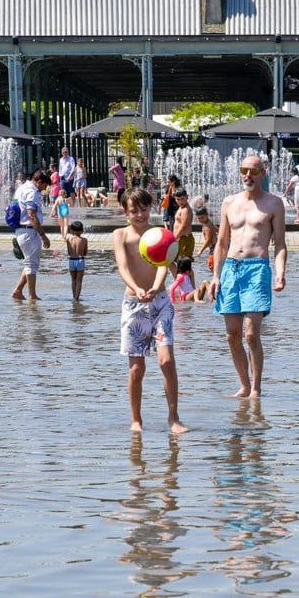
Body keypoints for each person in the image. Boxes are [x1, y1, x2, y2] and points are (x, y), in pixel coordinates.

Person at [210, 154, 288, 399]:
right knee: (232, 335)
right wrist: (215, 276)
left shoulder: (274, 204)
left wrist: (280, 273)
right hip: (231, 268)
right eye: (244, 170)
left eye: (253, 171)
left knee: (251, 333)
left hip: (257, 268)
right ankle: (244, 385)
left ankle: (256, 389)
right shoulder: (229, 202)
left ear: (263, 173)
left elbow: (281, 244)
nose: (248, 175)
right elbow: (221, 243)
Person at [112, 186, 188, 433]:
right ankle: (136, 420)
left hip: (160, 303)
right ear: (125, 211)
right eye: (134, 211)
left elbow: (162, 265)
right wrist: (137, 288)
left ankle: (174, 417)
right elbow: (123, 267)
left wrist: (155, 289)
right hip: (134, 305)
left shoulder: (159, 233)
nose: (140, 215)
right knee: (137, 368)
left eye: (144, 210)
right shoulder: (120, 235)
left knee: (166, 361)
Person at [11, 169, 52, 301]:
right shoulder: (32, 192)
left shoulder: (22, 188)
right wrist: (43, 235)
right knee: (31, 265)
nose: (44, 190)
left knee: (31, 263)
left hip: (22, 230)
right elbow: (31, 215)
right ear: (39, 182)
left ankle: (18, 291)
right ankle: (32, 295)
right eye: (44, 186)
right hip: (28, 230)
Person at [66, 220, 88, 302]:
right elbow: (85, 252)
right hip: (80, 260)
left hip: (71, 260)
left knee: (73, 280)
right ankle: (77, 298)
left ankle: (73, 296)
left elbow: (69, 252)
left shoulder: (69, 240)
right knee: (79, 281)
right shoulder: (84, 240)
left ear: (72, 230)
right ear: (82, 230)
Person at [172, 188, 195, 264]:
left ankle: (182, 276)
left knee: (183, 264)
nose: (180, 201)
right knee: (181, 263)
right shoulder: (182, 208)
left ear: (187, 197)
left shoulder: (186, 209)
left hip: (184, 239)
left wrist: (174, 238)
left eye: (182, 199)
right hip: (181, 238)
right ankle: (179, 276)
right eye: (178, 199)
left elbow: (183, 226)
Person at [195, 206, 218, 271]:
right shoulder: (209, 222)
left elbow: (208, 240)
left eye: (202, 217)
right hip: (216, 246)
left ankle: (216, 279)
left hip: (213, 248)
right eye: (199, 218)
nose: (201, 220)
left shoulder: (206, 227)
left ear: (207, 215)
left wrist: (201, 251)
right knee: (216, 265)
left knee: (212, 266)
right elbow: (216, 229)